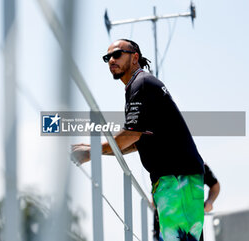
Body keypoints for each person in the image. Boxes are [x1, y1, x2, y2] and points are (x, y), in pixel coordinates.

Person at [71, 39, 205, 241]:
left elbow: (130, 135)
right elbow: (136, 141)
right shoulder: (141, 85)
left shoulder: (140, 84)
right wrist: (92, 148)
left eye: (117, 54)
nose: (111, 61)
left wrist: (90, 153)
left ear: (135, 57)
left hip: (176, 178)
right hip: (179, 177)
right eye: (107, 58)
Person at [153, 163, 220, 241]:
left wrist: (210, 201)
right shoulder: (159, 164)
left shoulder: (198, 164)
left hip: (192, 229)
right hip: (165, 229)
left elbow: (215, 186)